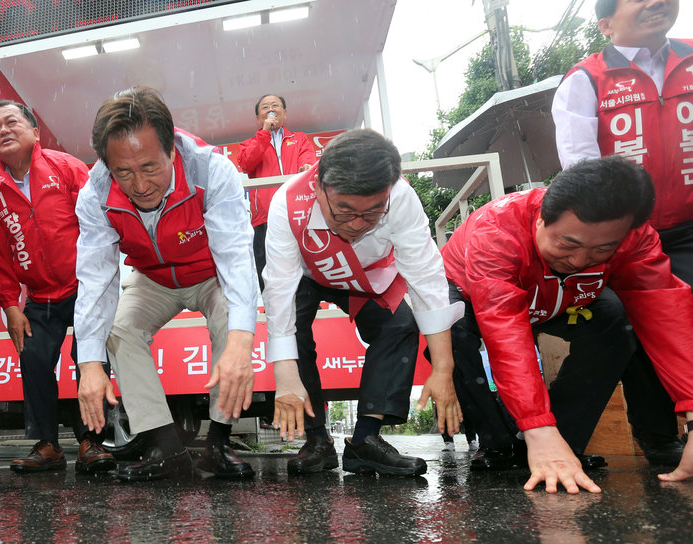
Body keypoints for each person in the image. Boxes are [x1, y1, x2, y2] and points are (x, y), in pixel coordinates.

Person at [441, 156, 693, 494]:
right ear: (542, 215)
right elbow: (506, 334)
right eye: (567, 244)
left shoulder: (634, 238)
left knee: (616, 322)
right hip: (474, 296)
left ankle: (564, 441)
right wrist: (536, 426)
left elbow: (667, 315)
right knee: (450, 334)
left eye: (603, 249)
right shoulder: (497, 231)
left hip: (570, 298)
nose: (578, 260)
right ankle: (501, 443)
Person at [74, 86, 258, 481]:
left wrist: (242, 343)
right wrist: (89, 363)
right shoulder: (94, 195)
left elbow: (237, 259)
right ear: (106, 165)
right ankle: (164, 446)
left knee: (233, 319)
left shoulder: (211, 170)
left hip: (210, 273)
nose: (139, 185)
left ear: (172, 150)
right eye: (123, 171)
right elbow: (96, 281)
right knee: (119, 329)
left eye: (150, 167)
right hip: (153, 278)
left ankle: (219, 442)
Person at [262, 128, 463, 477]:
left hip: (365, 275)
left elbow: (426, 279)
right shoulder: (287, 202)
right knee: (294, 331)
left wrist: (443, 369)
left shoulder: (401, 198)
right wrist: (284, 375)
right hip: (308, 274)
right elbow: (279, 289)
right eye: (343, 211)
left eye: (372, 213)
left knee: (400, 325)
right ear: (320, 187)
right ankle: (316, 440)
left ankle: (366, 441)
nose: (356, 224)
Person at [551, 0, 690, 463]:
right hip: (625, 235)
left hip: (689, 227)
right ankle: (658, 435)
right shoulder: (586, 80)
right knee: (636, 327)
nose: (657, 2)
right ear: (605, 23)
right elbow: (584, 171)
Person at [0, 100, 114, 473]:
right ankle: (47, 445)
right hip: (39, 296)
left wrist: (101, 283)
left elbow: (98, 224)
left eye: (12, 122)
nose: (3, 130)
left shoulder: (66, 167)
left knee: (89, 358)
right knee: (34, 357)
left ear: (34, 132)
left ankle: (92, 442)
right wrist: (10, 305)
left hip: (84, 286)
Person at [236, 94, 315, 288]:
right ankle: (274, 313)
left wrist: (306, 168)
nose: (270, 109)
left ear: (285, 113)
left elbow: (309, 163)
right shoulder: (249, 144)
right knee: (270, 276)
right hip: (265, 219)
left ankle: (307, 308)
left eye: (275, 105)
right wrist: (264, 135)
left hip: (298, 215)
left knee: (306, 273)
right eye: (265, 107)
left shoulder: (299, 139)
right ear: (258, 118)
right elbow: (246, 164)